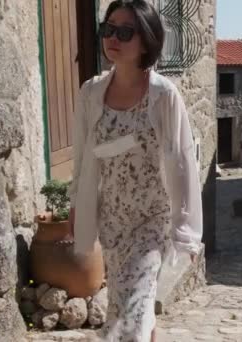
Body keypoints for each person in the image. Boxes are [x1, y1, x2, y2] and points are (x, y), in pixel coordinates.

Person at [67, 1, 203, 340]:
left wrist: (184, 228)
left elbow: (183, 161)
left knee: (128, 315)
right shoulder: (90, 93)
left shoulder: (163, 96)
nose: (113, 37)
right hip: (112, 223)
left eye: (125, 32)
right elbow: (83, 157)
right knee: (131, 306)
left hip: (151, 224)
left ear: (146, 40)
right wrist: (75, 207)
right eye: (108, 28)